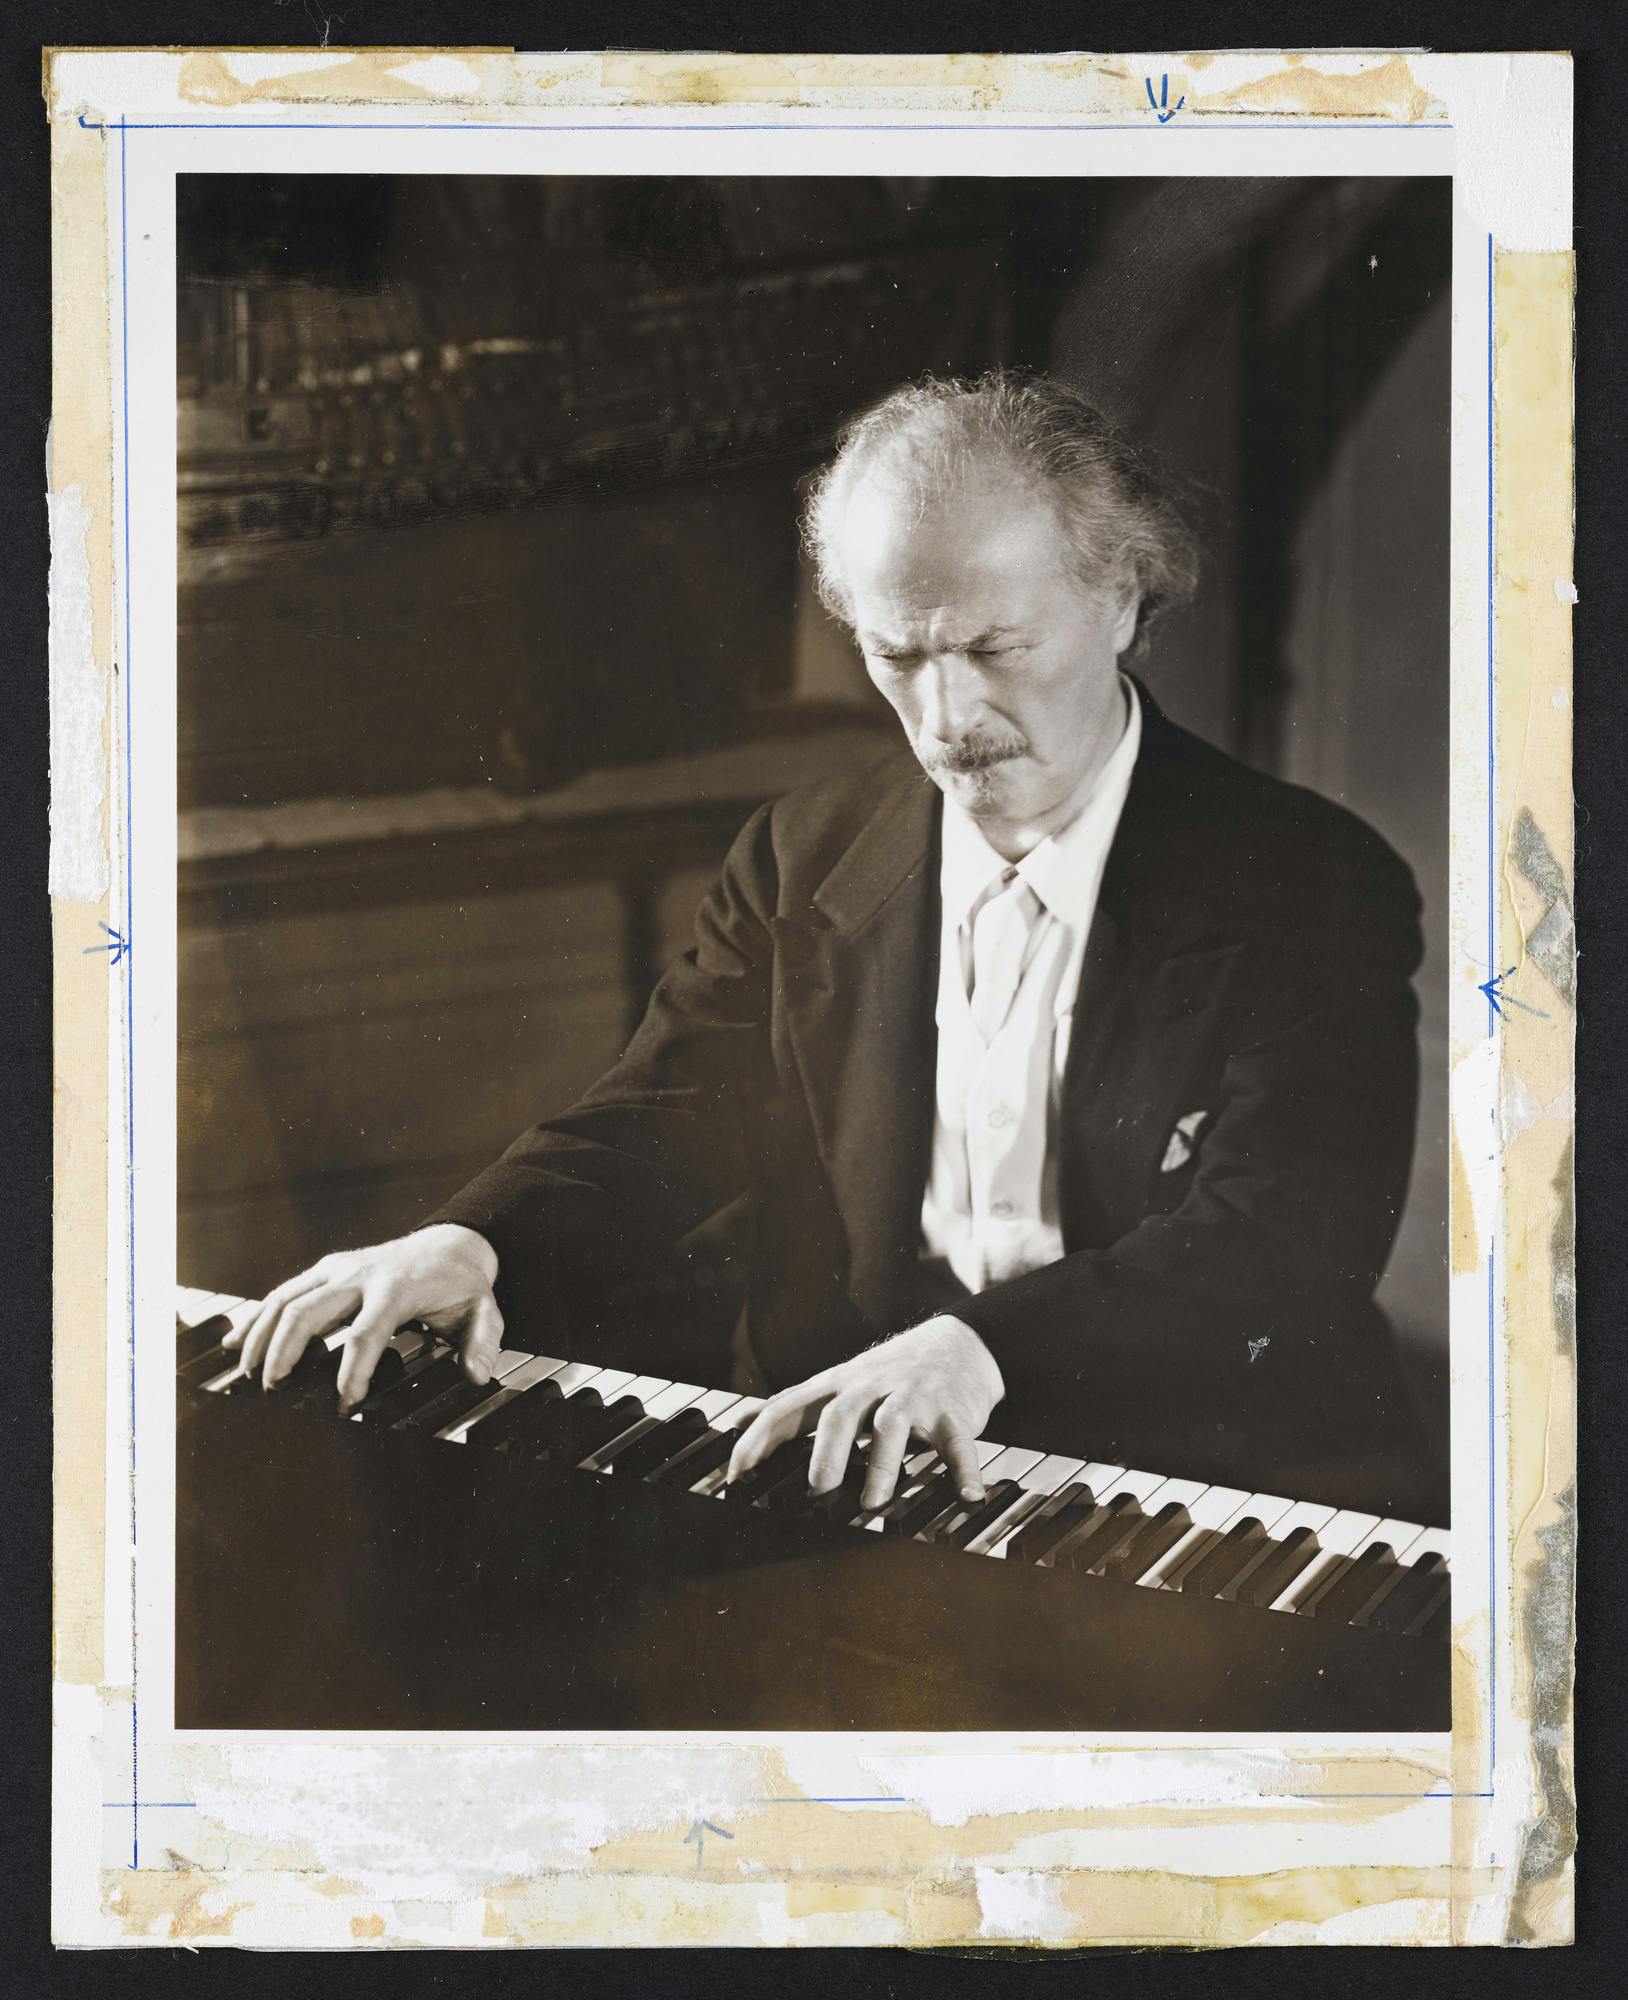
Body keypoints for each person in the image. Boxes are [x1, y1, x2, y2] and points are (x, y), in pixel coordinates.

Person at [226, 371, 1427, 1515]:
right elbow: (663, 1114)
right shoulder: (800, 853)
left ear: (1120, 597)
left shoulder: (1310, 885)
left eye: (996, 648)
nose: (946, 720)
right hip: (837, 1453)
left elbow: (1282, 1250)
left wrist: (975, 1349)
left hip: (1190, 1480)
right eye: (898, 655)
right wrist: (475, 1239)